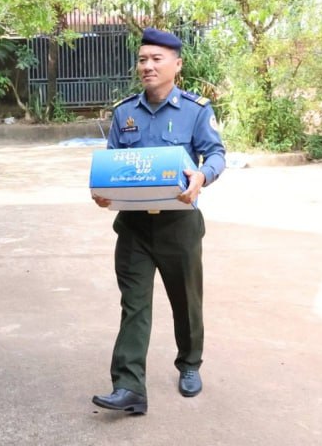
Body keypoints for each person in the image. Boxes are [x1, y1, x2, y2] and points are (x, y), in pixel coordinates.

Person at [91, 28, 226, 416]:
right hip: (133, 227)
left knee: (186, 300)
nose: (147, 66)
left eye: (156, 59)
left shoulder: (196, 110)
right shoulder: (125, 113)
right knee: (134, 305)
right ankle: (128, 386)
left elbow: (216, 154)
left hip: (178, 226)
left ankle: (190, 363)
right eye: (142, 60)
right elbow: (113, 162)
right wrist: (103, 191)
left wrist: (202, 177)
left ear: (176, 65)